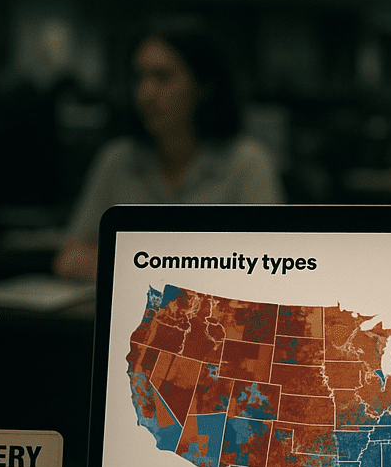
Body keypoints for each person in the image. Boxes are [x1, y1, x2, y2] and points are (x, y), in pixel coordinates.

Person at [54, 22, 285, 281]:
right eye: (139, 78)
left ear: (204, 86)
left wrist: (140, 266)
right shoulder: (117, 158)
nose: (145, 93)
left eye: (163, 77)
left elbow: (269, 265)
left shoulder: (246, 162)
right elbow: (69, 259)